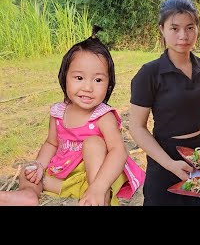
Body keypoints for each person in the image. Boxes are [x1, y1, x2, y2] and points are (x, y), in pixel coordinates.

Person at [0, 26, 145, 206]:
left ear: (109, 84)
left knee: (93, 142)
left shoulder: (103, 116)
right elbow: (51, 143)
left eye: (98, 80)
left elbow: (118, 151)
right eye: (79, 78)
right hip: (67, 176)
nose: (88, 87)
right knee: (29, 171)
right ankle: (27, 195)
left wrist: (98, 186)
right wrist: (39, 165)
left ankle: (100, 198)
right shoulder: (59, 113)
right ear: (64, 77)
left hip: (98, 176)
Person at [129, 0, 200, 206]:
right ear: (162, 29)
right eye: (175, 28)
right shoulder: (149, 74)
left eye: (190, 27)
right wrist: (170, 164)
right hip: (165, 157)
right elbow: (137, 127)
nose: (183, 36)